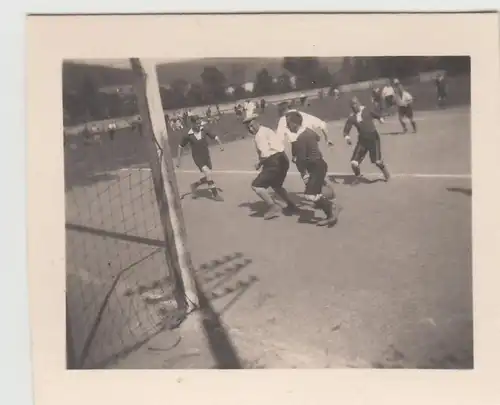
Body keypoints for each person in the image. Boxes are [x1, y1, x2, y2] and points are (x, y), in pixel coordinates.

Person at [242, 112, 299, 220]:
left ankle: (273, 207)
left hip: (274, 161)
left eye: (251, 125)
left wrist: (259, 163)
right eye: (248, 127)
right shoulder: (266, 129)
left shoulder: (259, 135)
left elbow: (265, 154)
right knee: (276, 185)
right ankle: (291, 205)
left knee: (256, 186)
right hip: (283, 159)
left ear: (256, 123)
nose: (250, 129)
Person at [285, 111, 338, 227]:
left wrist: (303, 172)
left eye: (288, 124)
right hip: (320, 164)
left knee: (310, 195)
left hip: (316, 167)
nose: (287, 126)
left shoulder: (300, 138)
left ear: (294, 124)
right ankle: (328, 201)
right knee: (317, 189)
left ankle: (330, 212)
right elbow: (317, 137)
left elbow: (302, 159)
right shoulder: (309, 131)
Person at [176, 116, 224, 201]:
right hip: (197, 157)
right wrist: (179, 160)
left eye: (199, 123)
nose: (199, 125)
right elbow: (180, 146)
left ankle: (194, 185)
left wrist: (221, 145)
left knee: (207, 176)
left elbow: (215, 136)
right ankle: (215, 195)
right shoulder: (188, 135)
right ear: (192, 124)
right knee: (208, 173)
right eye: (197, 124)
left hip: (206, 156)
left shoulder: (204, 130)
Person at [343, 97, 390, 183]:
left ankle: (386, 174)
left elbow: (376, 114)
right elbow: (346, 130)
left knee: (377, 162)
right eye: (352, 105)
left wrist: (380, 118)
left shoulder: (366, 110)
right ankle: (358, 177)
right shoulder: (352, 117)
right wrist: (347, 138)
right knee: (354, 163)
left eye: (355, 104)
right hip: (362, 141)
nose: (354, 106)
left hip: (373, 138)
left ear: (358, 103)